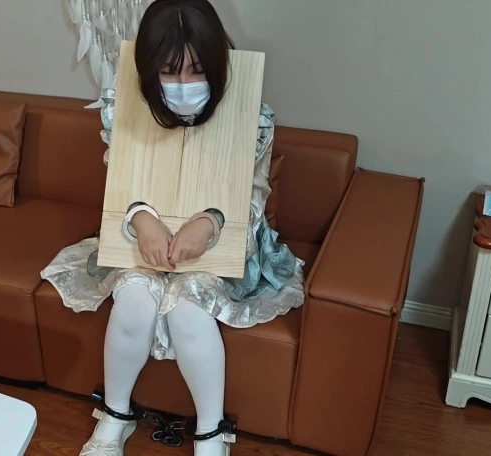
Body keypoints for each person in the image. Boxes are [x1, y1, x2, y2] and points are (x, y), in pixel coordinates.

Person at [40, 1, 305, 455]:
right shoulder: (126, 111)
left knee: (187, 307)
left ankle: (211, 433)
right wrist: (142, 218)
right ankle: (115, 415)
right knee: (134, 298)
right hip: (143, 239)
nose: (183, 84)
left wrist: (210, 221)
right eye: (169, 71)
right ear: (149, 71)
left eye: (196, 70)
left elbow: (252, 194)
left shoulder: (251, 119)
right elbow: (122, 179)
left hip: (222, 247)